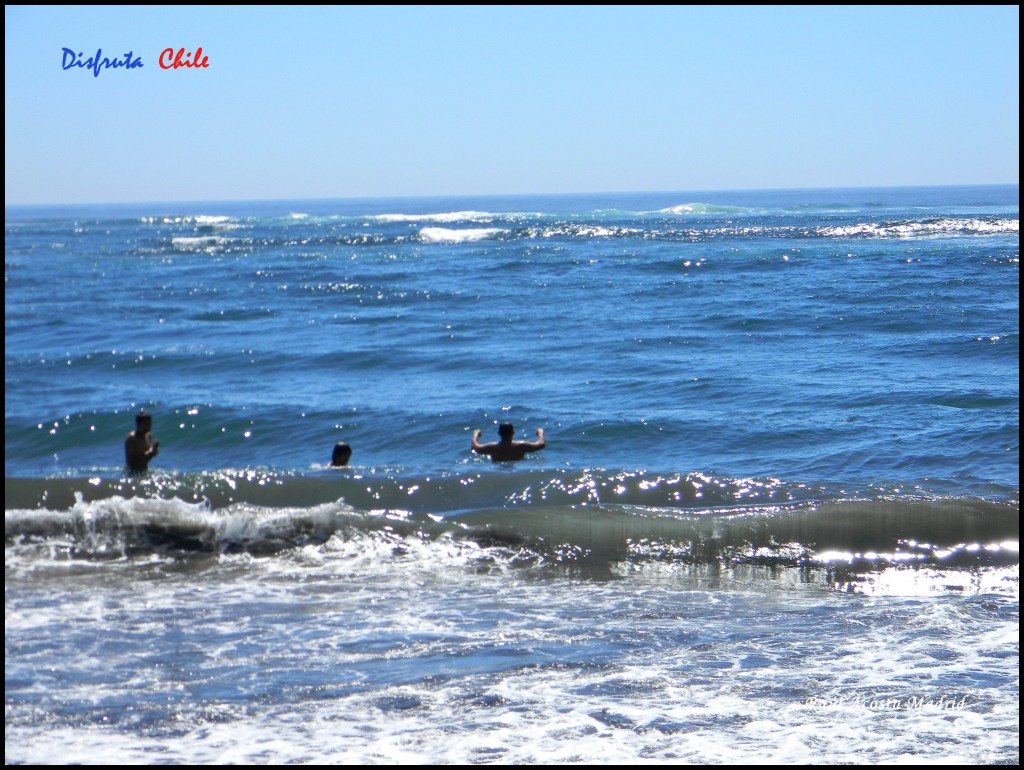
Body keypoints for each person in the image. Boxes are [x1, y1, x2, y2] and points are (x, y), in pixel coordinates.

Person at [471, 422, 545, 462]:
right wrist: (540, 433)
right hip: (517, 468)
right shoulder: (521, 446)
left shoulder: (492, 447)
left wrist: (475, 434)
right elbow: (541, 444)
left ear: (499, 433)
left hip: (497, 469)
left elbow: (475, 447)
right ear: (513, 432)